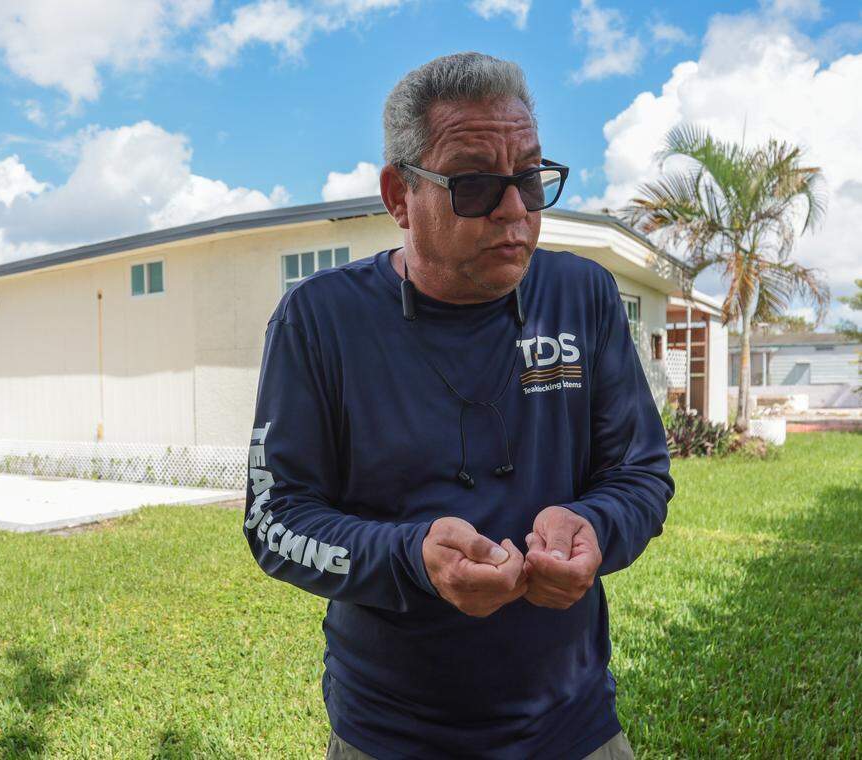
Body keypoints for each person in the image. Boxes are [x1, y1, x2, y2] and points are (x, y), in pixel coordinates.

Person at [243, 51, 673, 760]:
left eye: (530, 179)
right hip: (392, 733)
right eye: (474, 184)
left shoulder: (585, 298)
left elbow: (642, 475)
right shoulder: (318, 321)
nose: (514, 211)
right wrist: (411, 555)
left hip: (572, 724)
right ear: (399, 196)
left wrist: (595, 526)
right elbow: (275, 518)